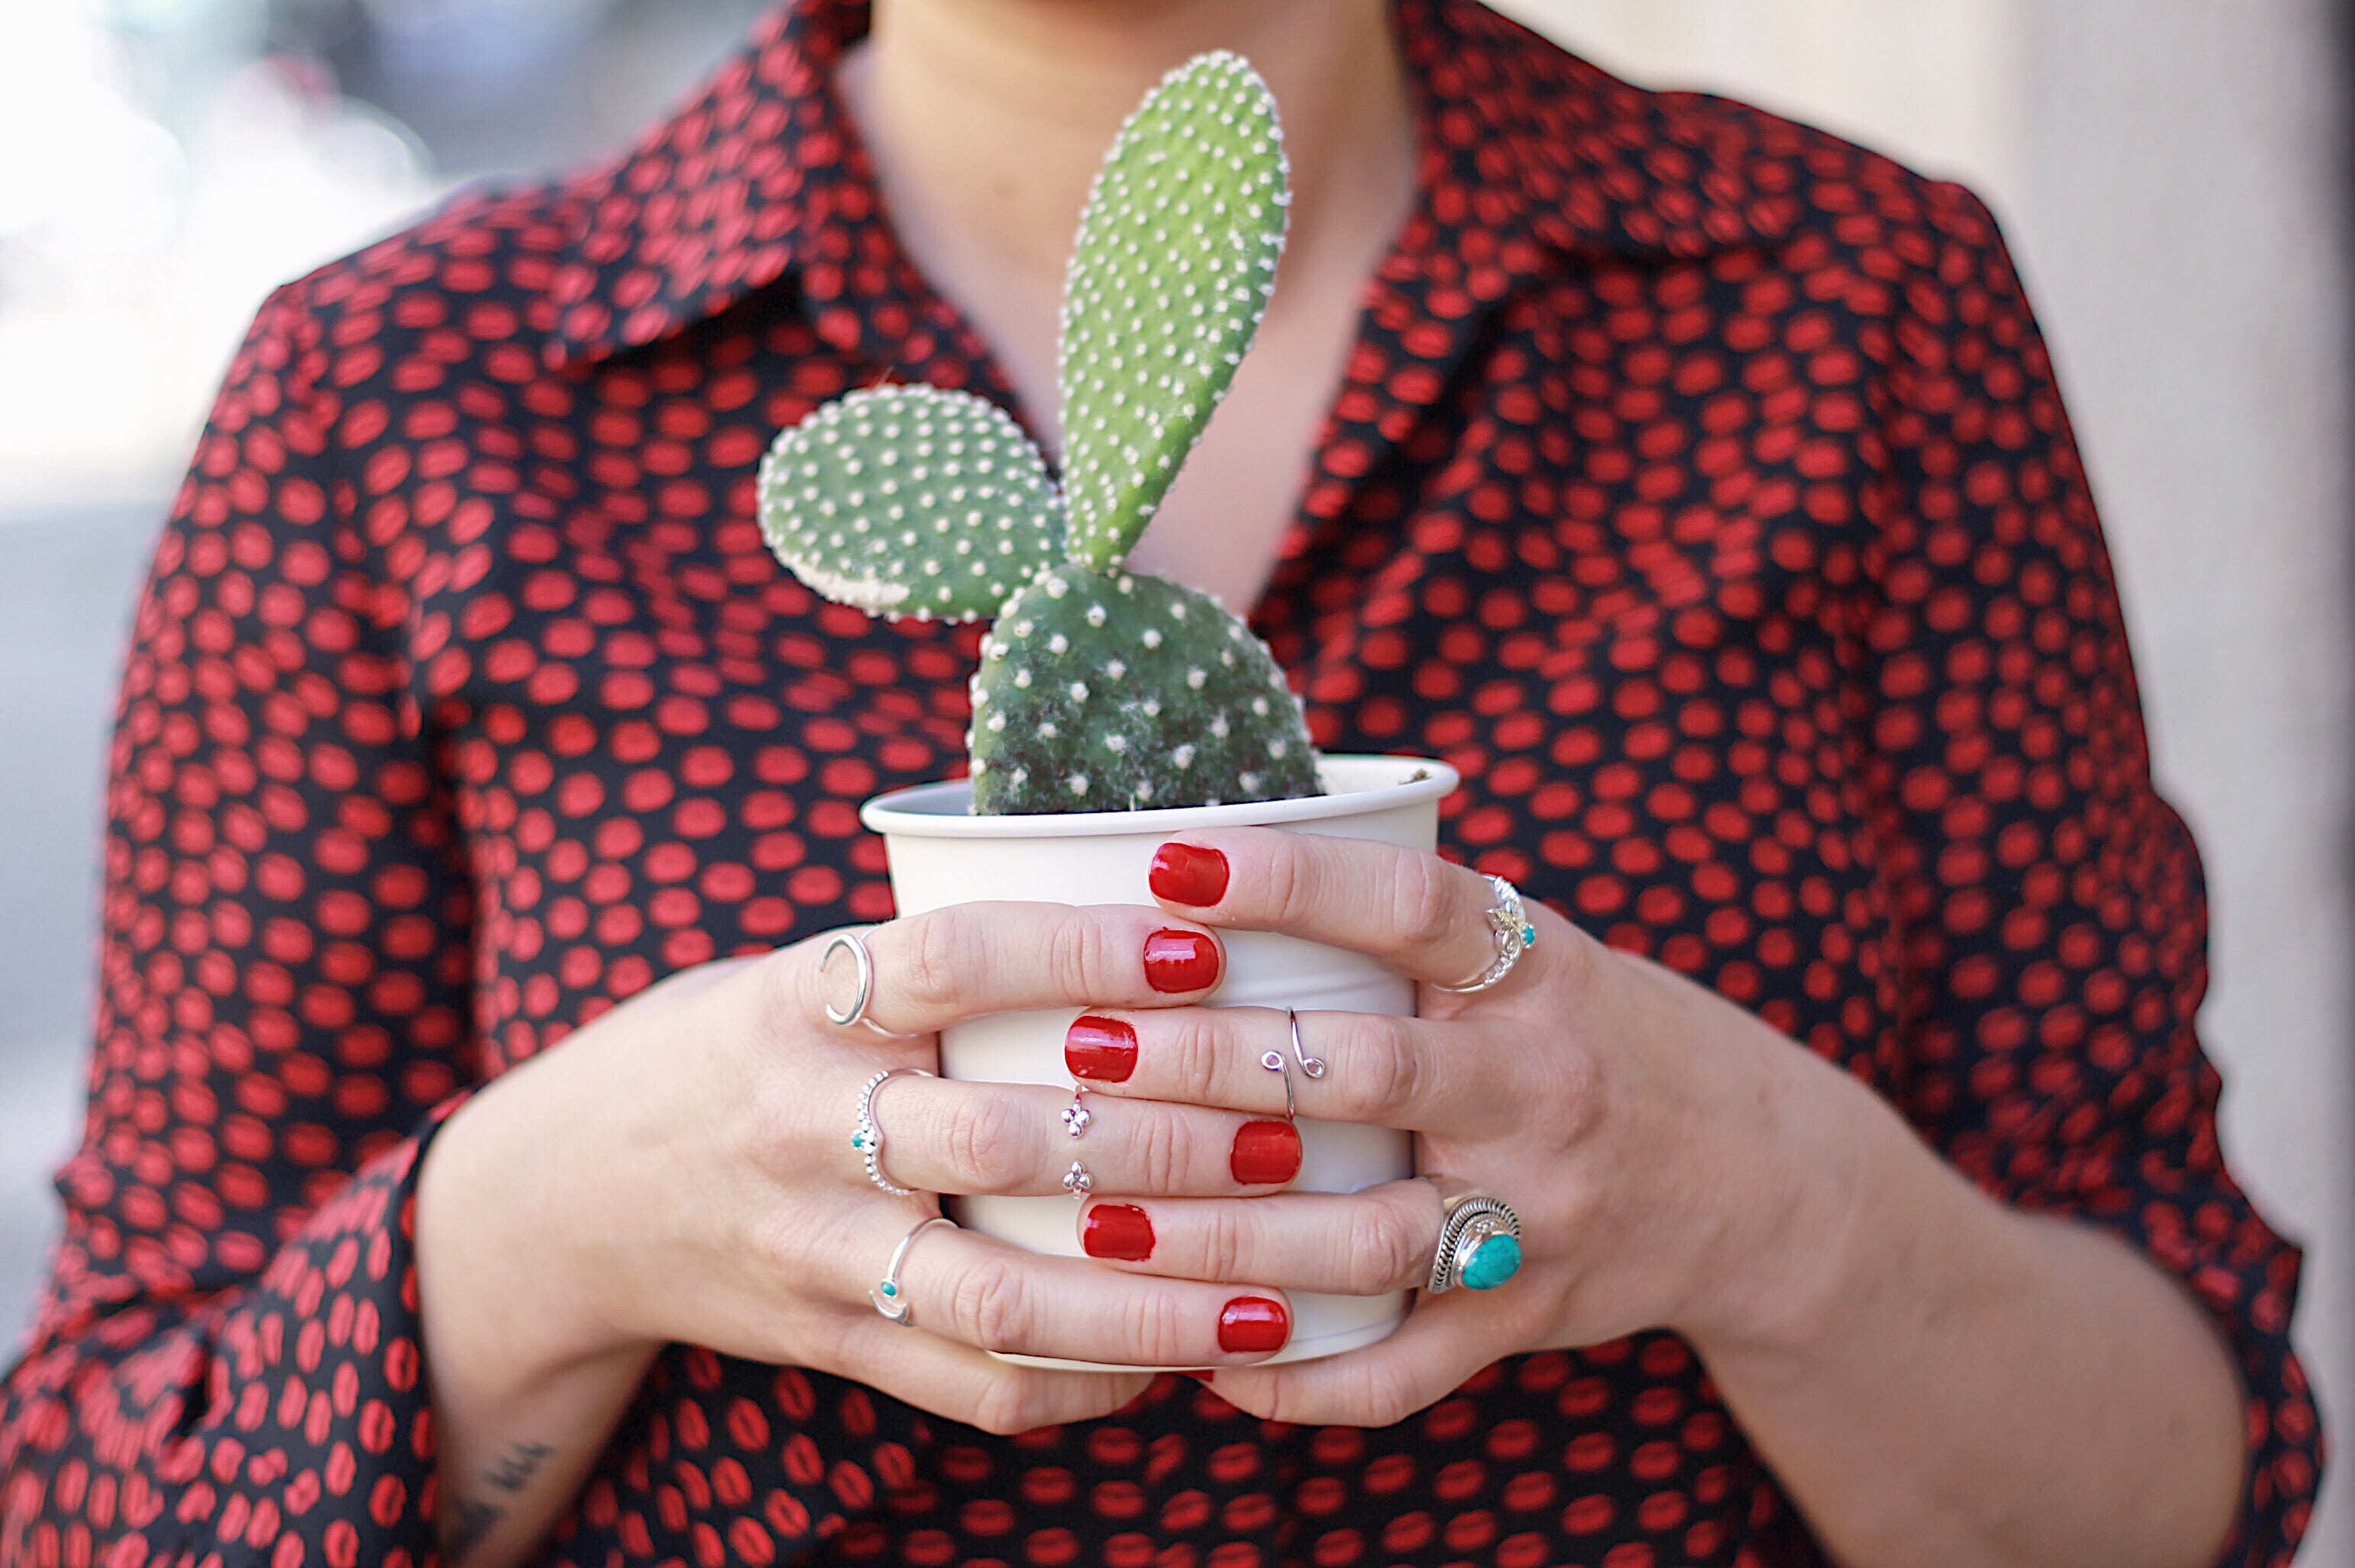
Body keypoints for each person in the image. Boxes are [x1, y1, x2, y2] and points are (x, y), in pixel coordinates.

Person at [0, 0, 2322, 1564]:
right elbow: (106, 1483)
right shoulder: (398, 395)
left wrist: (1756, 1200)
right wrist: (552, 1220)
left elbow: (2193, 1477)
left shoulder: (1853, 306)